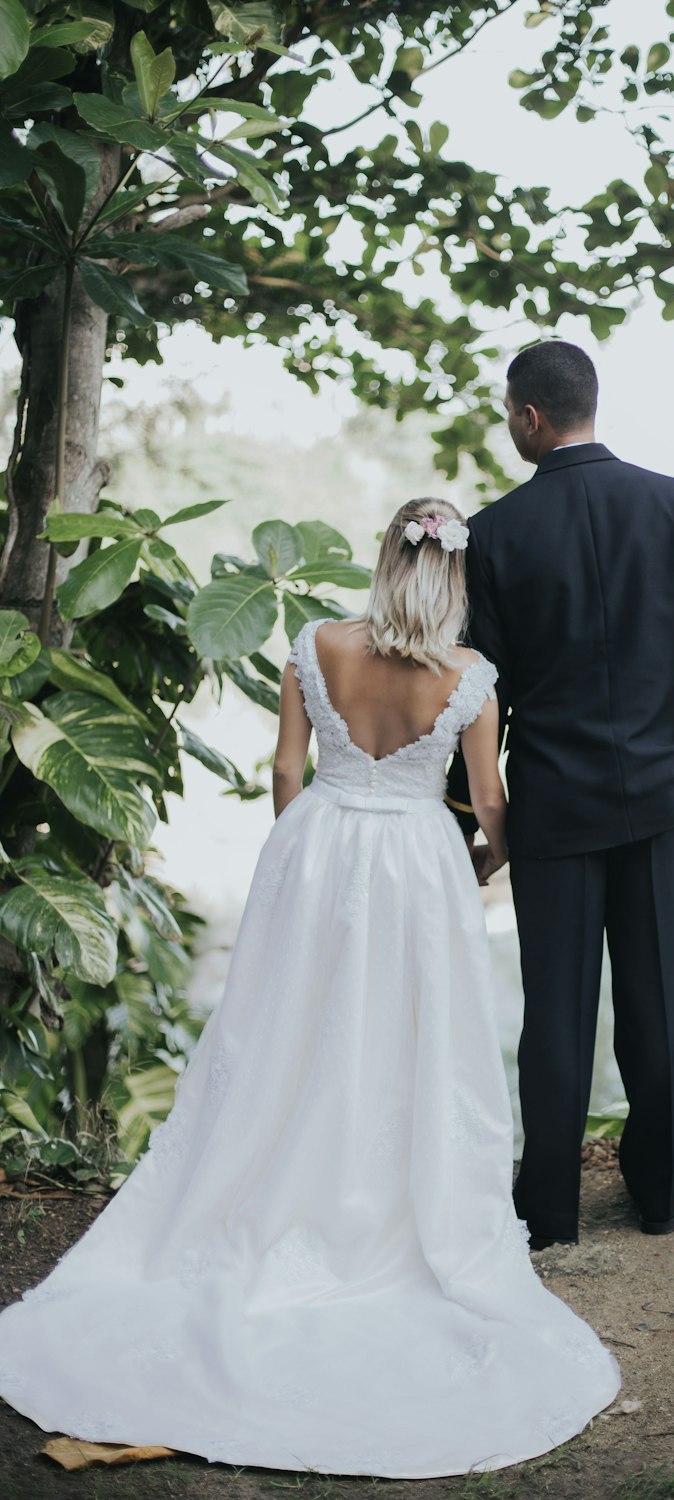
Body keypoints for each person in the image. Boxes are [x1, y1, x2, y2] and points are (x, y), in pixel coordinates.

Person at [0, 497, 620, 1478]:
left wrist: (300, 863)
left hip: (320, 850)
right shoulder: (471, 681)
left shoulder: (312, 643)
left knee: (290, 1036)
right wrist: (495, 869)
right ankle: (380, 1200)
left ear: (385, 561)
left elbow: (285, 773)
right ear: (455, 580)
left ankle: (276, 1184)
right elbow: (490, 803)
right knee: (410, 1045)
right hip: (418, 867)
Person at [445, 342, 674, 1252]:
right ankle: (659, 1198)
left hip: (552, 808)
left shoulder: (494, 533)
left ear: (529, 418)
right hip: (666, 802)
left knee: (554, 1014)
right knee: (663, 1005)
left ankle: (548, 1215)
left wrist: (468, 817)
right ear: (588, 405)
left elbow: (480, 694)